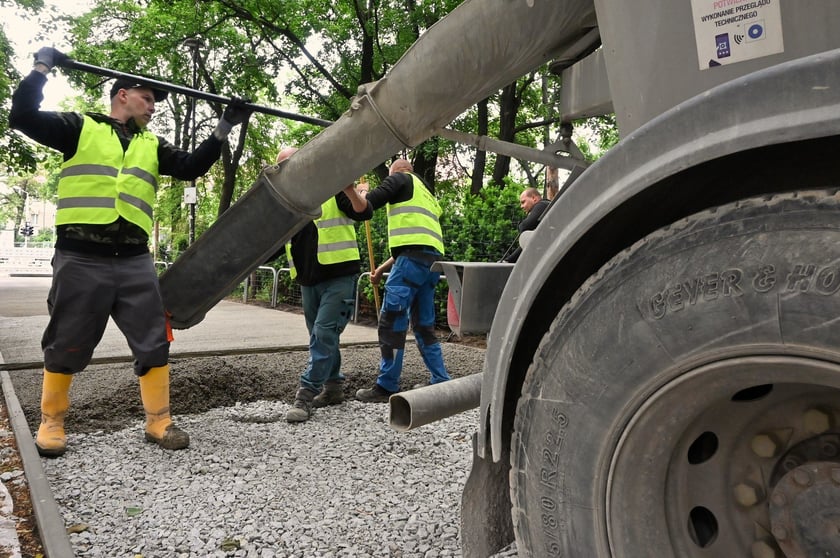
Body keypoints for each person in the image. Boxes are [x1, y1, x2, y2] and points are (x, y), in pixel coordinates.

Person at [9, 46, 251, 457]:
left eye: (155, 101)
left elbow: (192, 167)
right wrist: (41, 68)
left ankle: (158, 421)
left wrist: (225, 125)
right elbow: (22, 117)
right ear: (122, 94)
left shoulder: (151, 145)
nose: (153, 107)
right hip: (81, 256)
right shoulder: (78, 127)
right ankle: (52, 422)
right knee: (67, 338)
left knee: (154, 340)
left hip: (135, 260)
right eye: (148, 98)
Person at [276, 147, 370, 422]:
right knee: (323, 338)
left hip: (339, 274)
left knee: (323, 333)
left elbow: (363, 211)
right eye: (283, 166)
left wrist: (351, 191)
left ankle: (305, 395)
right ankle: (333, 387)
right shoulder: (287, 200)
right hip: (308, 279)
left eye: (291, 163)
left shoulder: (331, 186)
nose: (288, 169)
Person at [345, 158, 451, 403]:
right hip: (431, 264)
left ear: (395, 172)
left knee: (392, 321)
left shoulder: (399, 178)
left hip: (411, 262)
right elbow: (415, 243)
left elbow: (367, 206)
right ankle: (440, 379)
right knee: (424, 326)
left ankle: (386, 385)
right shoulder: (427, 194)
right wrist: (381, 269)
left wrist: (357, 192)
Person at [503, 187, 550, 263]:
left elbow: (525, 226)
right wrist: (509, 260)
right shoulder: (546, 206)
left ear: (534, 198)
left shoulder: (541, 205)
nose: (521, 206)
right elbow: (530, 242)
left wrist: (521, 224)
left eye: (523, 202)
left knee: (526, 236)